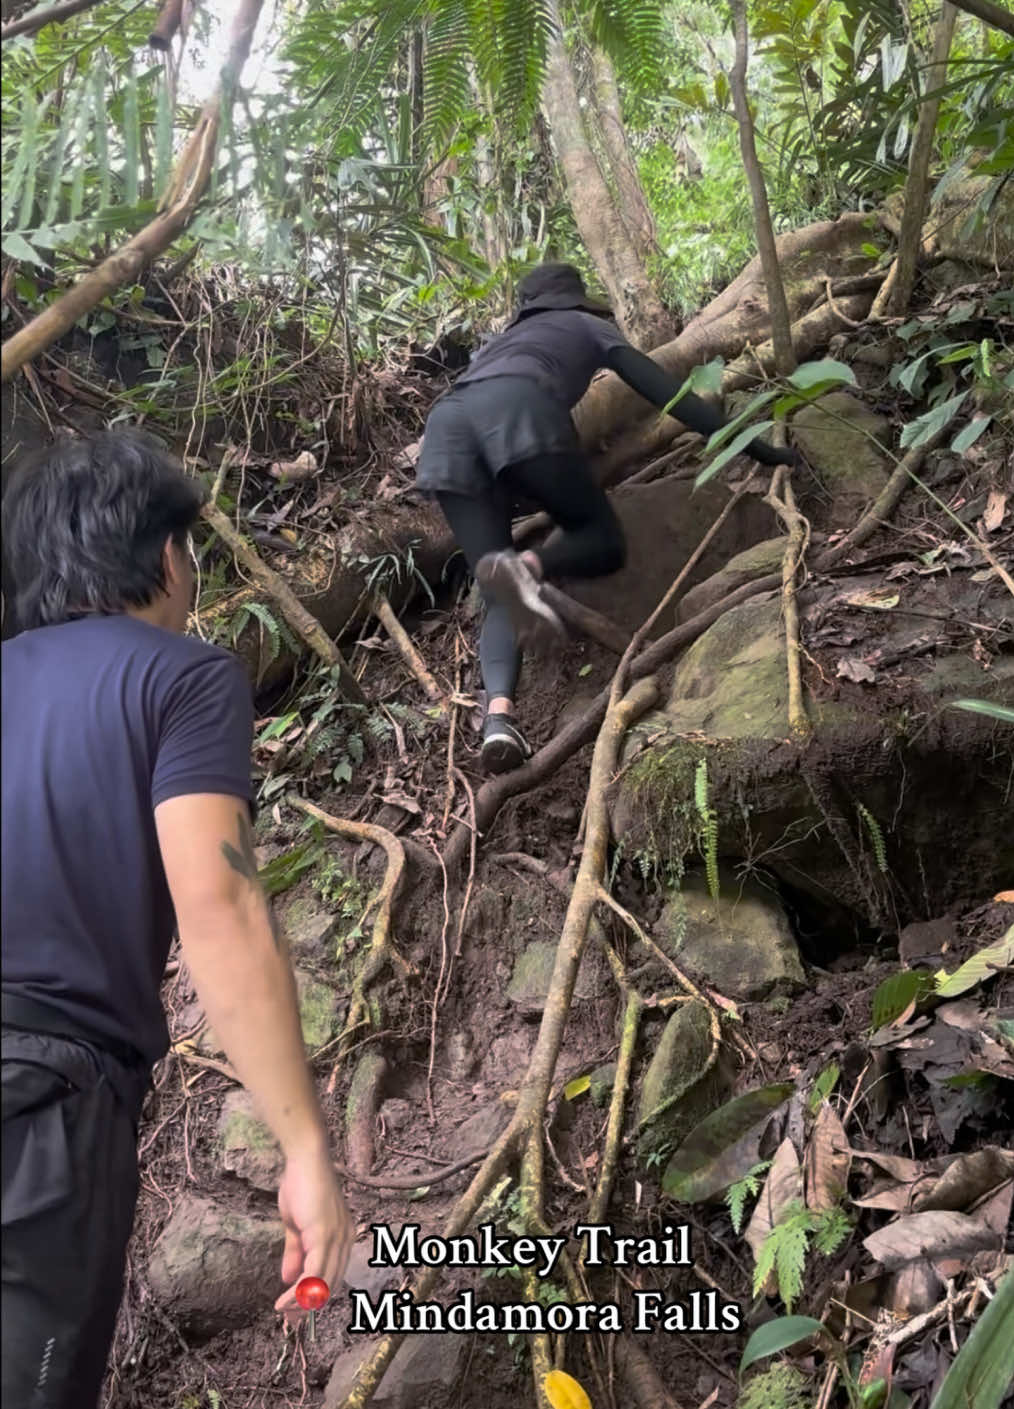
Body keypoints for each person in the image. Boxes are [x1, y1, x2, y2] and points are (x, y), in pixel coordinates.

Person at [1, 432, 353, 1409]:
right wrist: (305, 1150)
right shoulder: (181, 679)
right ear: (164, 557)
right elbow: (223, 906)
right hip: (43, 1103)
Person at [416, 262, 796, 773]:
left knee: (495, 580)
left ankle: (498, 720)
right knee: (600, 539)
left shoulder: (494, 350)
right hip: (517, 412)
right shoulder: (585, 326)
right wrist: (754, 446)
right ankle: (529, 568)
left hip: (445, 429)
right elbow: (665, 392)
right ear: (575, 302)